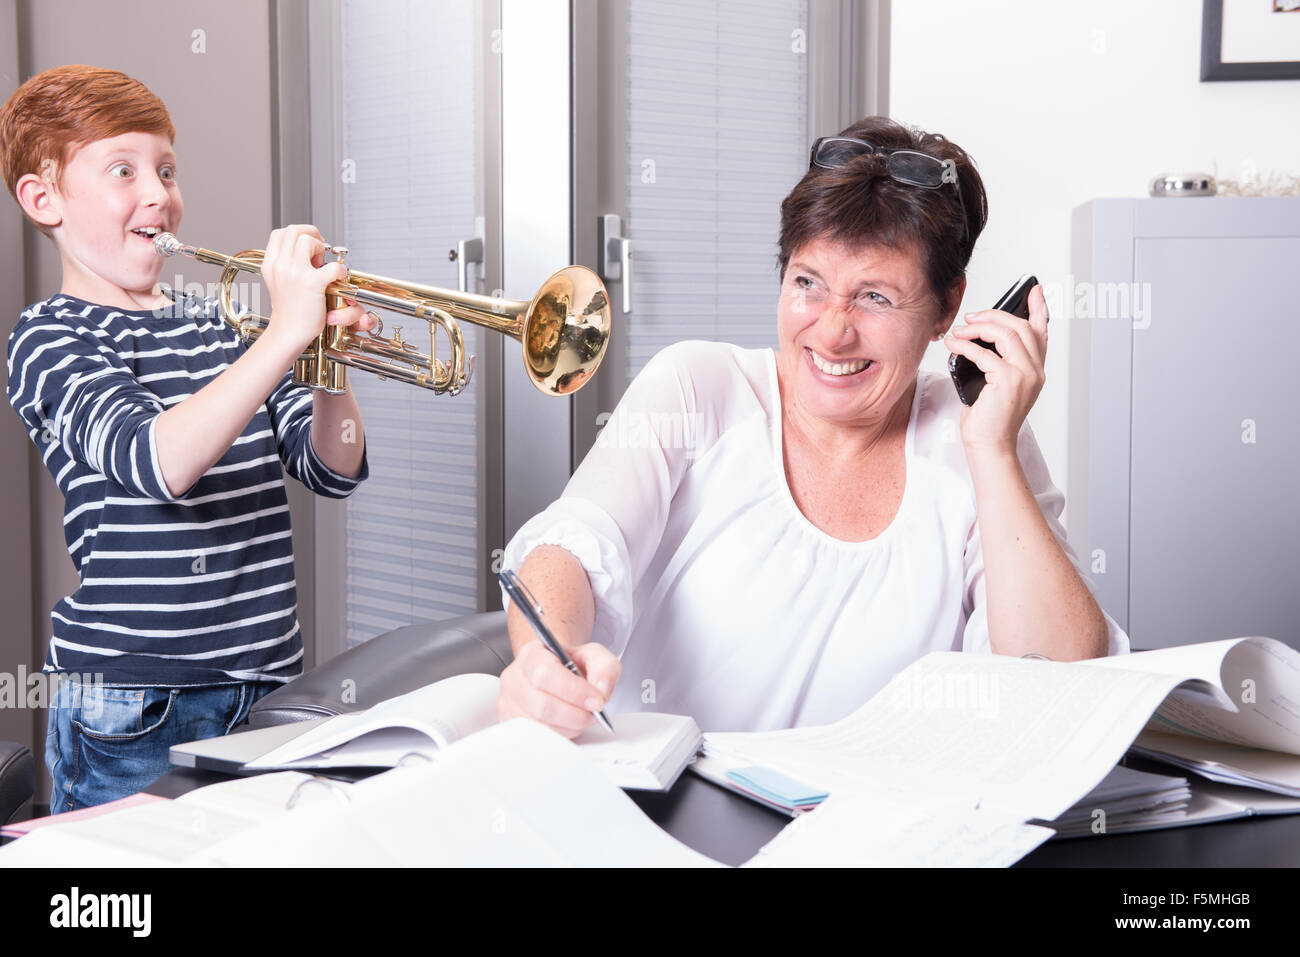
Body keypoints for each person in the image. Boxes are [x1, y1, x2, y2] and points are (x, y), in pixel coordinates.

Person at [496, 116, 1129, 736]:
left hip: (875, 827)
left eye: (875, 296)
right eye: (808, 283)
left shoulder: (983, 437)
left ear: (949, 308)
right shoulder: (697, 386)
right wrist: (544, 661)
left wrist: (992, 450)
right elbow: (575, 545)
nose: (832, 329)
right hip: (665, 811)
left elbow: (1057, 680)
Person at [1, 65, 375, 810]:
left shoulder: (222, 326)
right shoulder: (47, 337)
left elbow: (329, 468)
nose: (157, 193)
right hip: (134, 701)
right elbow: (157, 459)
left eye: (166, 169)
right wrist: (285, 335)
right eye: (123, 169)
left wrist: (330, 365)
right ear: (44, 200)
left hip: (269, 683)